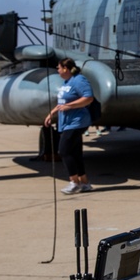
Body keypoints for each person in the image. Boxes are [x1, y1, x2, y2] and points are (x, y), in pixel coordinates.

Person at [44, 58, 96, 194]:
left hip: (77, 122)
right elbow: (63, 102)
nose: (58, 70)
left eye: (59, 68)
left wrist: (70, 106)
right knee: (75, 153)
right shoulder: (66, 82)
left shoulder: (79, 80)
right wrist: (52, 113)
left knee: (64, 151)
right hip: (66, 122)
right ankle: (85, 183)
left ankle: (74, 182)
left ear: (65, 69)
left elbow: (88, 98)